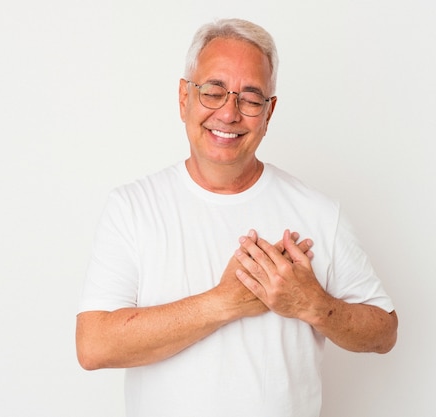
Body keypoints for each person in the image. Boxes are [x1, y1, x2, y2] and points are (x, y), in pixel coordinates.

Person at [76, 18, 398, 417]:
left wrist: (310, 304)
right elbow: (93, 346)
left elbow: (384, 332)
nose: (228, 114)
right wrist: (223, 303)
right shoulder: (132, 207)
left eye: (249, 99)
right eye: (213, 92)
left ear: (269, 112)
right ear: (183, 98)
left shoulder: (318, 212)